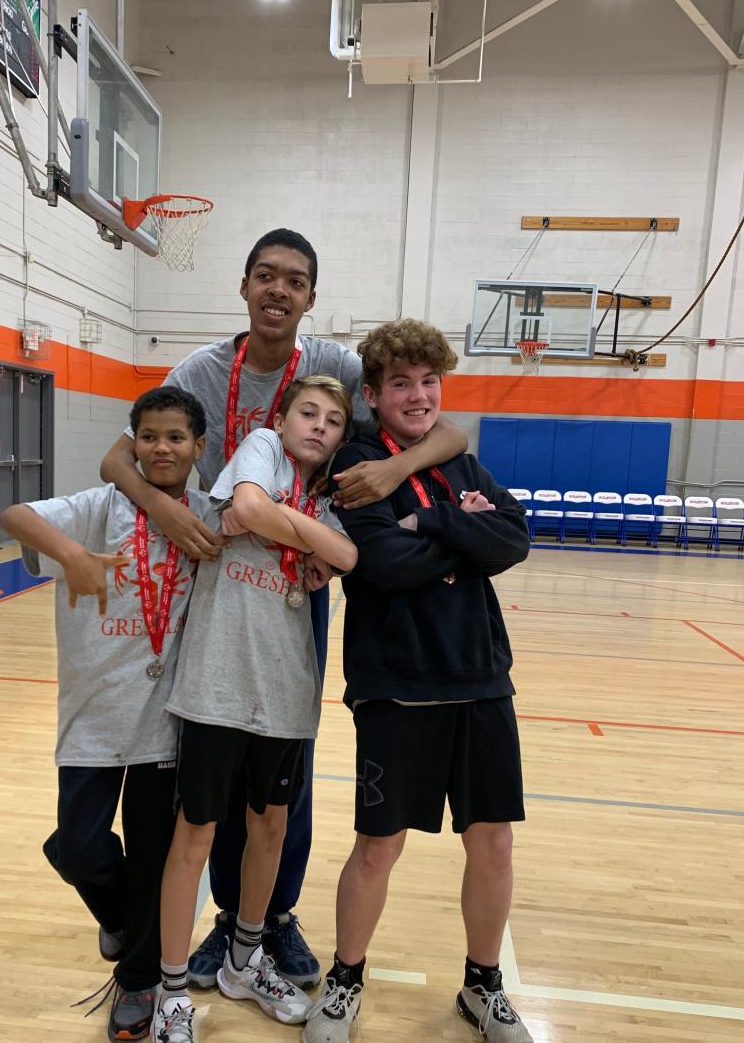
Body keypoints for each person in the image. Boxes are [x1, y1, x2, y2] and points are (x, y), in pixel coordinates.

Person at [99, 228, 468, 989]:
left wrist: (395, 465)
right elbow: (118, 456)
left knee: (282, 759)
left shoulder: (331, 365)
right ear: (243, 287)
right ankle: (224, 919)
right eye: (265, 276)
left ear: (309, 297)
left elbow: (448, 429)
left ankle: (267, 921)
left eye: (294, 281)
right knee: (214, 765)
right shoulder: (200, 369)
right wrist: (163, 511)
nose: (278, 290)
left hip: (298, 577)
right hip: (217, 584)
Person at [302, 319, 537, 1043]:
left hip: (479, 677)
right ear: (372, 395)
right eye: (401, 383)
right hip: (395, 682)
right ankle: (344, 981)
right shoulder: (358, 462)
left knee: (492, 840)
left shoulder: (457, 461)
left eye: (429, 382)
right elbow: (384, 562)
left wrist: (430, 515)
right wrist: (462, 536)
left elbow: (514, 538)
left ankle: (483, 984)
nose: (418, 395)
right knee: (379, 846)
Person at [148, 377, 358, 1043]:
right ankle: (173, 995)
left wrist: (281, 523)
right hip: (217, 684)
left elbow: (350, 559)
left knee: (269, 827)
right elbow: (243, 506)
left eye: (334, 421)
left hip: (285, 692)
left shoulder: (329, 494)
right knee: (196, 838)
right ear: (283, 417)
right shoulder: (260, 450)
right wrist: (292, 529)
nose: (320, 427)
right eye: (309, 412)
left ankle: (243, 960)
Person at [0, 386, 210, 1043]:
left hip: (164, 719)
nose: (162, 447)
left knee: (153, 855)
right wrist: (70, 555)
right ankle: (121, 917)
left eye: (176, 436)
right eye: (148, 436)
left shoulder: (207, 516)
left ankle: (139, 980)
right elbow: (16, 512)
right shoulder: (101, 507)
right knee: (80, 844)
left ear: (199, 448)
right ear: (131, 444)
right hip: (92, 713)